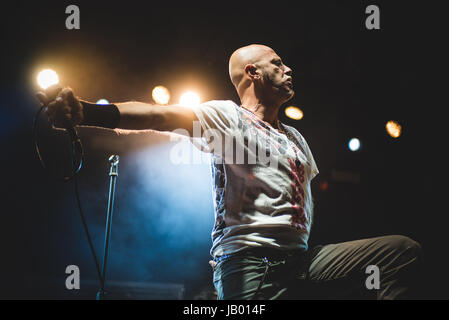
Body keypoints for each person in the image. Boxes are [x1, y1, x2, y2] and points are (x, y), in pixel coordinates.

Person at [36, 44, 422, 300]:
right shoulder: (226, 117)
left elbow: (301, 202)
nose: (288, 70)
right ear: (252, 72)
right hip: (252, 265)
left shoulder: (296, 137)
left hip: (301, 262)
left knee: (401, 251)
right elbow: (158, 115)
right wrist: (86, 111)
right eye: (277, 63)